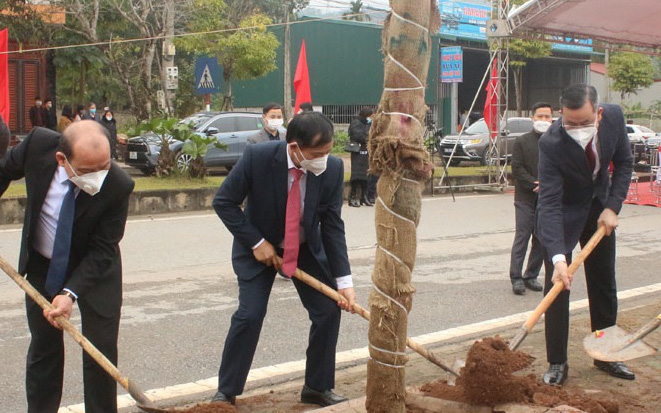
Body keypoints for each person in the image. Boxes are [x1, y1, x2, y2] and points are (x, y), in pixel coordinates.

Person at [211, 111, 355, 407]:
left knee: (328, 311)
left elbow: (332, 226)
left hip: (304, 249)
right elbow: (224, 202)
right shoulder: (257, 158)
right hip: (258, 247)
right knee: (250, 315)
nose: (323, 159)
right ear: (294, 148)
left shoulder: (332, 169)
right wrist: (257, 242)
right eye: (317, 154)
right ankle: (226, 392)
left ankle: (317, 386)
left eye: (328, 152)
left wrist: (344, 281)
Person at [0, 120, 135, 413]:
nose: (98, 177)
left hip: (95, 270)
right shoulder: (37, 146)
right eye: (88, 171)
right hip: (42, 265)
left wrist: (70, 293)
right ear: (61, 160)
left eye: (105, 166)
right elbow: (4, 171)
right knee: (44, 348)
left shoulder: (118, 185)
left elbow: (103, 249)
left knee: (99, 351)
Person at [536, 84, 634, 386]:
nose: (577, 129)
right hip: (564, 210)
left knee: (603, 280)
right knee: (558, 285)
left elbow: (625, 163)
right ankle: (557, 362)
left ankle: (606, 354)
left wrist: (613, 207)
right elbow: (549, 202)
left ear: (599, 113)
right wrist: (557, 257)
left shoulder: (614, 118)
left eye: (584, 123)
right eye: (570, 123)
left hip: (599, 206)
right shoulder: (551, 142)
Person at [509, 102, 552, 295]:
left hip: (547, 198)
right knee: (522, 236)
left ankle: (531, 275)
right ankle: (516, 277)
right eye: (540, 116)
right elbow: (516, 168)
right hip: (525, 197)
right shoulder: (522, 141)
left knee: (541, 239)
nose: (543, 120)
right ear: (532, 118)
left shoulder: (555, 142)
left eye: (547, 117)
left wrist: (548, 186)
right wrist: (534, 184)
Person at [348, 107, 374, 207]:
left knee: (366, 174)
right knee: (357, 174)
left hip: (367, 151)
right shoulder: (356, 123)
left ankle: (364, 197)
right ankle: (353, 197)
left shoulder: (368, 124)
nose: (372, 118)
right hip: (358, 151)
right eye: (371, 116)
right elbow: (357, 135)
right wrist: (368, 137)